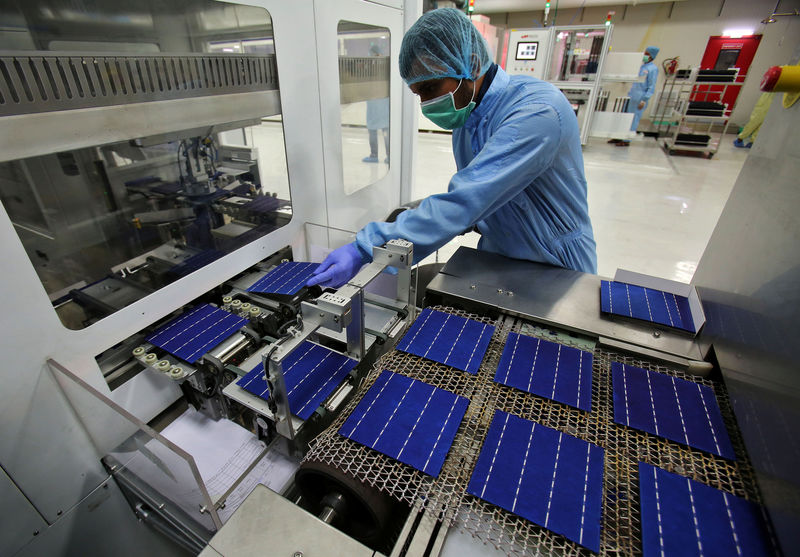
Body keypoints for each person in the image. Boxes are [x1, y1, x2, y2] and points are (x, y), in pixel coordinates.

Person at [308, 8, 596, 289]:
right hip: (500, 260)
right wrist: (412, 219)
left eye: (431, 88)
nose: (426, 104)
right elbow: (476, 198)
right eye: (418, 94)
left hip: (556, 269)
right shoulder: (467, 118)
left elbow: (467, 201)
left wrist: (365, 248)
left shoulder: (537, 113)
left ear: (470, 64)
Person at [610, 46, 659, 147]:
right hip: (631, 96)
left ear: (652, 56)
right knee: (624, 117)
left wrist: (644, 100)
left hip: (640, 98)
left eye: (647, 54)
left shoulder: (653, 69)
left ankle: (626, 140)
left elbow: (651, 86)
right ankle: (618, 136)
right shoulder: (642, 67)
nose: (644, 55)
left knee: (633, 119)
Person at [363, 44, 390, 163]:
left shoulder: (369, 69)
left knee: (374, 130)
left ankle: (374, 155)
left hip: (376, 104)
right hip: (382, 104)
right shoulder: (386, 67)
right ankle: (388, 156)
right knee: (385, 130)